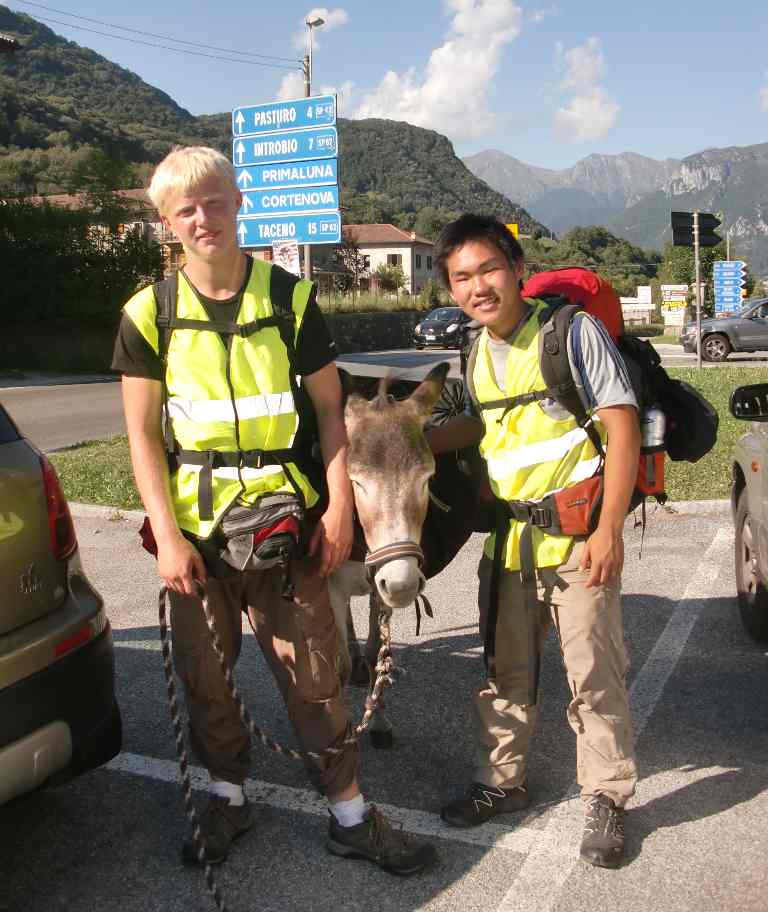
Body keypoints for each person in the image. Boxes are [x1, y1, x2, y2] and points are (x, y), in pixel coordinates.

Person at [112, 145, 435, 876]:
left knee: (316, 674)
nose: (204, 218)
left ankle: (350, 814)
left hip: (288, 526)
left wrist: (340, 513)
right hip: (195, 534)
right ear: (167, 222)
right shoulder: (148, 314)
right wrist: (166, 535)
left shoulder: (291, 300)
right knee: (206, 673)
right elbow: (139, 436)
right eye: (185, 209)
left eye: (215, 201)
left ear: (238, 202)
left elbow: (329, 417)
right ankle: (227, 797)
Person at [431, 214, 640, 869]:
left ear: (517, 268)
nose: (478, 286)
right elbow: (474, 425)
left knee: (594, 676)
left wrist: (609, 530)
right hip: (509, 547)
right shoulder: (471, 350)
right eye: (461, 277)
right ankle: (502, 783)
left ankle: (606, 799)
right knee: (504, 676)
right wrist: (402, 437)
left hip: (578, 541)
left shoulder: (568, 334)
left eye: (488, 269)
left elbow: (623, 425)